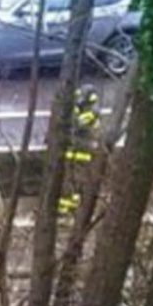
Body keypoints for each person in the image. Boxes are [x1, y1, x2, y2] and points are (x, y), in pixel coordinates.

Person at [59, 86, 100, 216]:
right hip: (76, 149)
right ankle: (67, 207)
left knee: (78, 178)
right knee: (69, 178)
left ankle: (76, 208)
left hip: (83, 151)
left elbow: (76, 125)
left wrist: (72, 111)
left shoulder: (90, 112)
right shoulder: (85, 110)